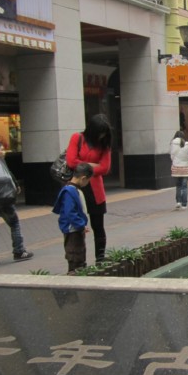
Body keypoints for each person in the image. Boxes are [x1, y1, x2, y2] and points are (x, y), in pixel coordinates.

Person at [66, 114, 113, 262]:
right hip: (77, 189)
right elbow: (71, 162)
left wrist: (84, 165)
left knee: (98, 226)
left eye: (104, 132)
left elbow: (105, 168)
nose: (102, 135)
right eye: (100, 132)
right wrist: (93, 165)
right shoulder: (77, 138)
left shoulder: (104, 144)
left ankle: (100, 258)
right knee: (77, 227)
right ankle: (78, 261)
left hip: (95, 191)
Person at [0, 141, 33, 268]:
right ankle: (19, 251)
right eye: (2, 149)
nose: (4, 151)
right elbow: (5, 180)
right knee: (14, 224)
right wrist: (13, 188)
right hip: (3, 201)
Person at [53, 163, 93, 272]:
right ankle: (73, 277)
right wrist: (80, 225)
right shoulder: (70, 191)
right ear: (83, 178)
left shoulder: (72, 190)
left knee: (79, 254)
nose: (87, 183)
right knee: (75, 255)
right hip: (73, 230)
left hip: (76, 228)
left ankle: (78, 272)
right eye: (88, 181)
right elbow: (70, 212)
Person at [169, 130, 188, 210]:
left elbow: (172, 155)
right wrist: (187, 160)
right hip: (184, 168)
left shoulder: (172, 144)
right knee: (184, 187)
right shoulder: (186, 144)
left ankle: (178, 202)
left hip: (176, 167)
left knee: (178, 186)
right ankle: (184, 204)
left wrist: (175, 161)